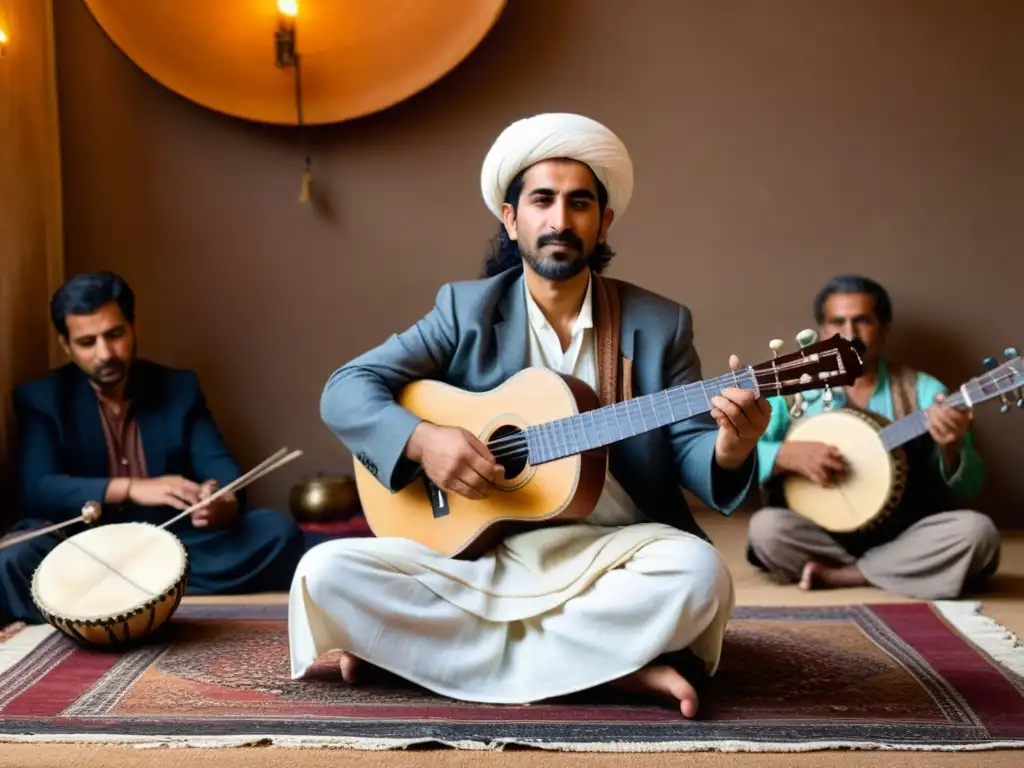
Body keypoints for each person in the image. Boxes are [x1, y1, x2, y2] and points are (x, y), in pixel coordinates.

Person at [288, 112, 772, 718]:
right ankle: (611, 667)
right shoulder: (464, 310)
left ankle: (420, 655)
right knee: (324, 571)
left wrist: (732, 444)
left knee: (700, 575)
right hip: (483, 555)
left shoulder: (658, 325)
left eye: (579, 203)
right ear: (511, 219)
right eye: (541, 200)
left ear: (603, 223)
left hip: (612, 555)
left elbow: (693, 451)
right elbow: (345, 389)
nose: (560, 220)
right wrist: (423, 440)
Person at [0, 272, 306, 625]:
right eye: (88, 342)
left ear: (134, 327)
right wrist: (132, 488)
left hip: (167, 543)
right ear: (66, 345)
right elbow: (38, 489)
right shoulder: (42, 398)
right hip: (84, 548)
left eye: (114, 335)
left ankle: (114, 595)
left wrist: (219, 499)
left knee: (276, 531)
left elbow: (222, 470)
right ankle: (150, 592)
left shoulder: (179, 388)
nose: (105, 353)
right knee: (16, 557)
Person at [747, 275, 1001, 599]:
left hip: (905, 534)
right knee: (766, 529)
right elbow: (741, 457)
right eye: (838, 322)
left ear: (884, 328)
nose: (849, 333)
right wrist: (784, 455)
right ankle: (894, 572)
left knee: (978, 533)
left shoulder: (925, 391)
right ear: (821, 332)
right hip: (818, 531)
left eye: (862, 321)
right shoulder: (792, 393)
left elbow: (968, 490)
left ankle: (843, 575)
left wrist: (950, 446)